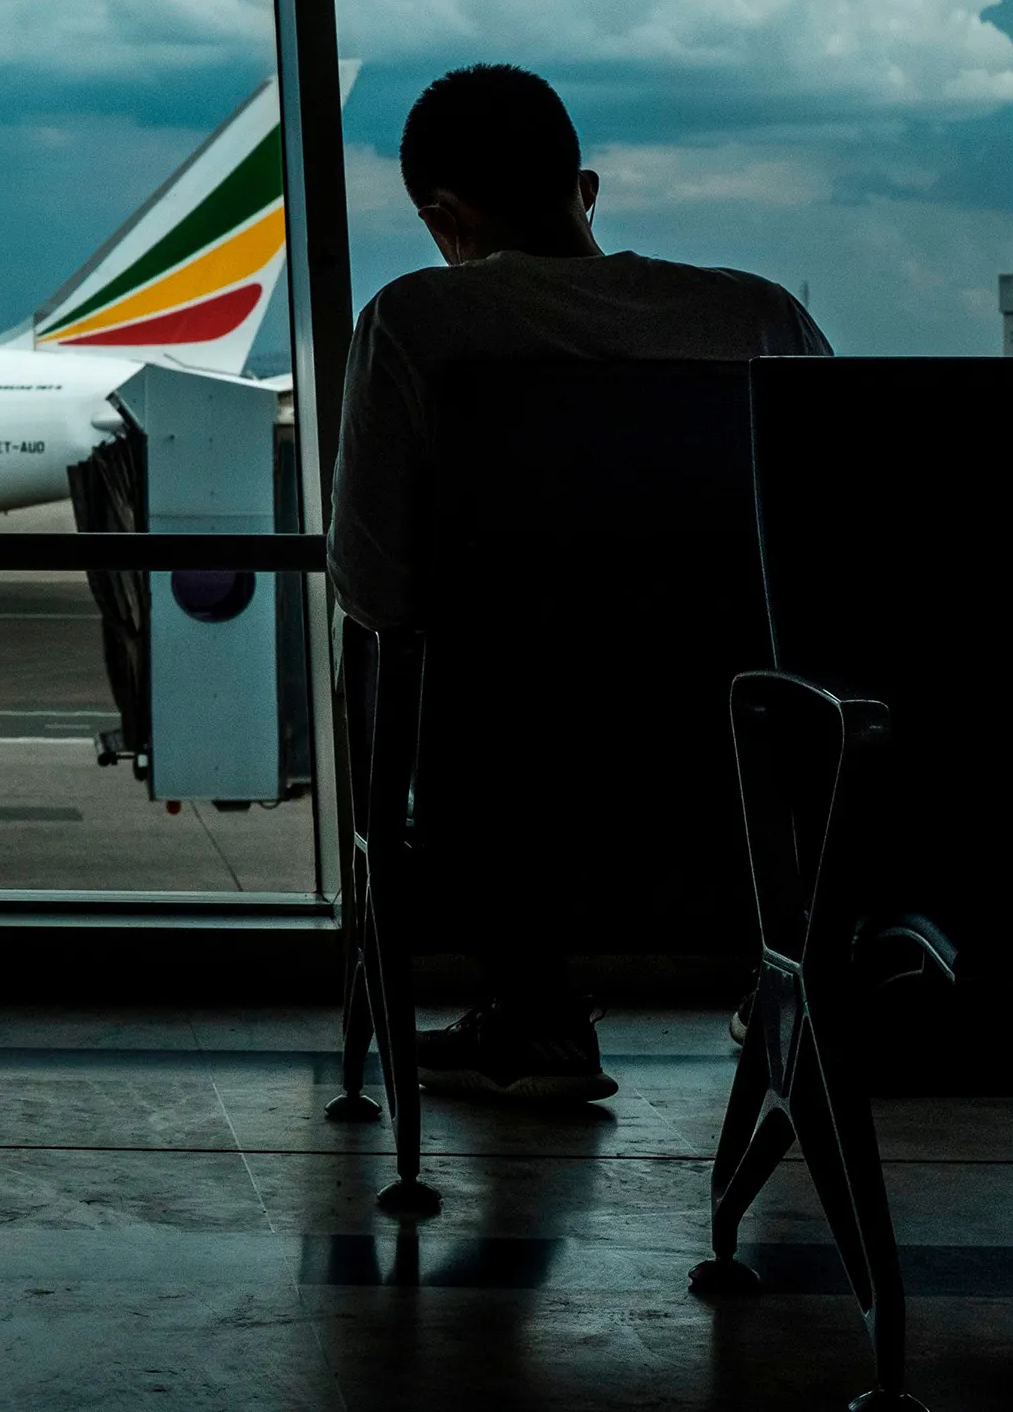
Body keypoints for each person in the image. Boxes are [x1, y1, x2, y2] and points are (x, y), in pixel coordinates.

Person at [330, 64, 829, 1102]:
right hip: (738, 801)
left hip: (505, 816)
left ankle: (535, 1005)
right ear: (585, 186)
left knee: (458, 699)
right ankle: (781, 996)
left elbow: (375, 585)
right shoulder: (760, 321)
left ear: (444, 218)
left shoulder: (420, 325)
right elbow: (834, 548)